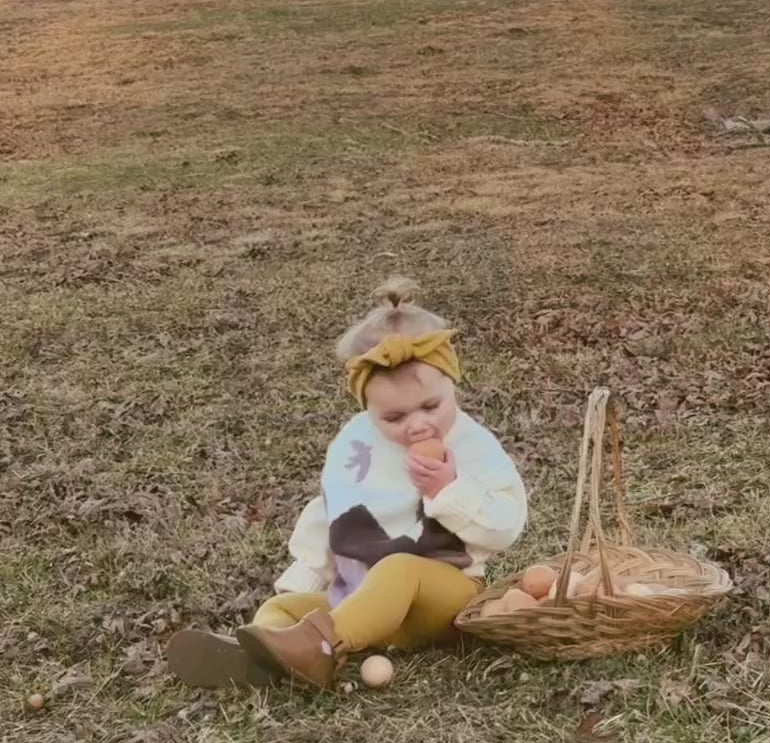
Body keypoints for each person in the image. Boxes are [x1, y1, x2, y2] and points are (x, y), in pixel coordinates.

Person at [167, 278, 527, 690]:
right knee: (281, 607)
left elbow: (506, 525)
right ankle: (265, 661)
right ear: (367, 408)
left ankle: (319, 647)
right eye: (394, 417)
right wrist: (306, 578)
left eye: (431, 405)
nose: (418, 424)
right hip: (363, 608)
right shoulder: (356, 447)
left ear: (453, 385)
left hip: (441, 601)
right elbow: (333, 513)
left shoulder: (470, 444)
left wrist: (449, 489)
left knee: (399, 568)